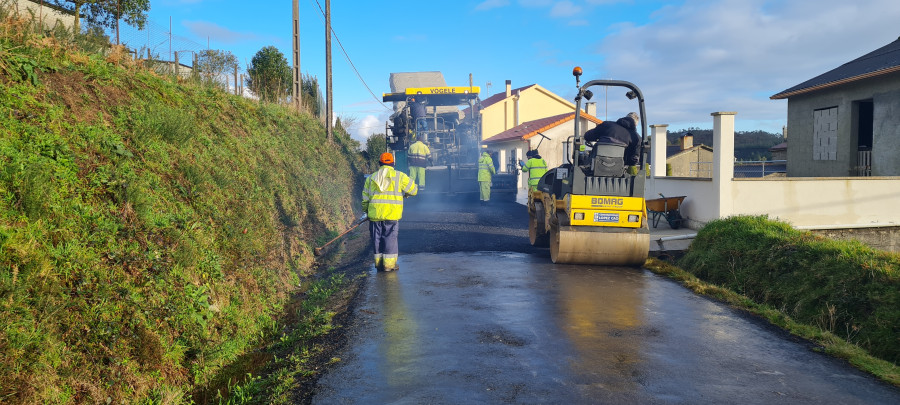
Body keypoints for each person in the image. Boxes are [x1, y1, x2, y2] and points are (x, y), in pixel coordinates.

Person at [362, 152, 418, 272]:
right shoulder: (399, 176)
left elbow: (365, 198)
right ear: (393, 163)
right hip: (392, 215)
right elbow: (413, 190)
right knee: (390, 239)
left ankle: (379, 264)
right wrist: (407, 193)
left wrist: (367, 211)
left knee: (376, 239)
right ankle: (389, 265)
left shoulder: (371, 178)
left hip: (375, 216)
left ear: (379, 163)